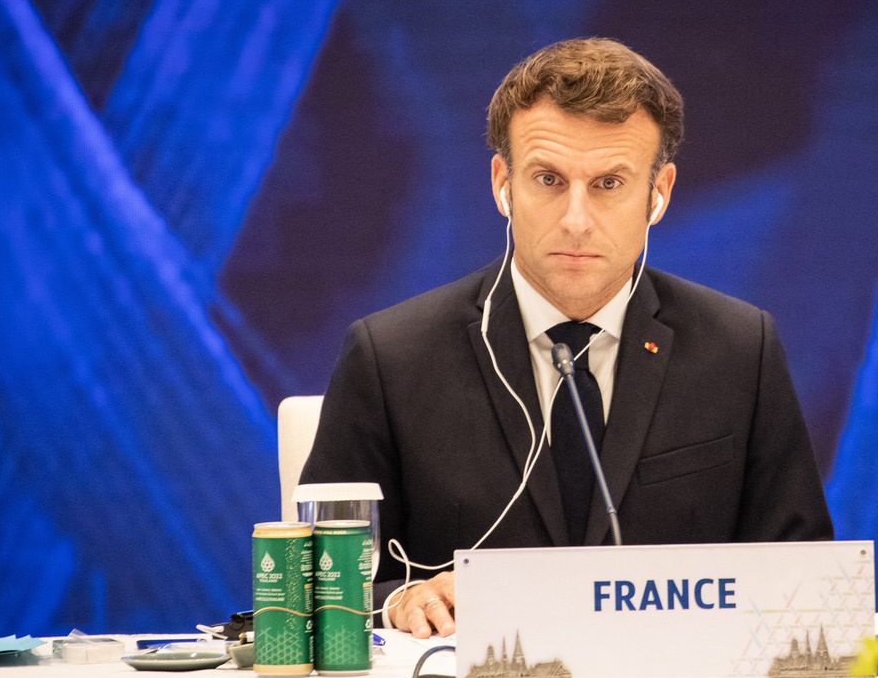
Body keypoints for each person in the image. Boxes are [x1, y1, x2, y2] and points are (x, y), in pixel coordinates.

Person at [300, 38, 833, 638]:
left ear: (660, 193)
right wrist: (401, 600)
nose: (576, 219)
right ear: (503, 183)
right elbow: (319, 589)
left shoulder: (740, 349)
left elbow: (804, 577)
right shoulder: (391, 357)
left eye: (609, 184)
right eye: (549, 179)